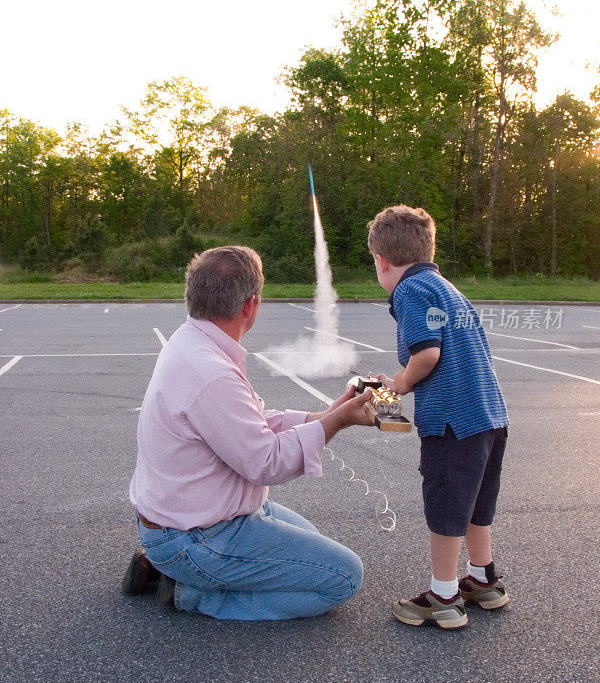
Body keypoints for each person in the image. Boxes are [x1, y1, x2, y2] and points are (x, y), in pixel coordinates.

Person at [122, 245, 373, 621]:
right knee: (342, 577)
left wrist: (329, 412)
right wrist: (336, 423)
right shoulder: (212, 372)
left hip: (195, 518)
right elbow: (265, 462)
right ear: (250, 305)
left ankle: (172, 569)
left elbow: (249, 424)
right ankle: (190, 591)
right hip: (197, 535)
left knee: (315, 547)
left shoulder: (194, 343)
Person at [368, 206, 510, 630]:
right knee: (475, 503)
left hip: (453, 422)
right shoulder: (447, 287)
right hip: (489, 415)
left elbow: (427, 354)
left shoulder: (410, 291)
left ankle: (443, 596)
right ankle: (483, 580)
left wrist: (399, 384)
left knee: (447, 505)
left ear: (382, 260)